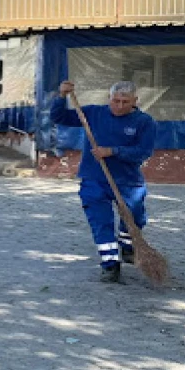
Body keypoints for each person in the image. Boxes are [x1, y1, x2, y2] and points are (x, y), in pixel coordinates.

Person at [51, 80, 157, 283]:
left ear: (135, 101)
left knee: (135, 217)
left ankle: (127, 245)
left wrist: (113, 151)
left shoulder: (144, 122)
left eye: (125, 101)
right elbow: (59, 117)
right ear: (109, 99)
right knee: (101, 222)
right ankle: (110, 264)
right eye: (115, 100)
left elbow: (143, 152)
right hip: (94, 178)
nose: (119, 105)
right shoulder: (93, 113)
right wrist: (61, 96)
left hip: (128, 181)